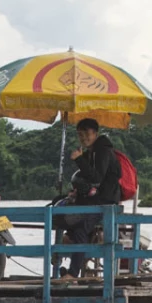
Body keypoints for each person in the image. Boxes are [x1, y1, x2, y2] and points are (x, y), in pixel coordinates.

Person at [57, 117, 122, 278]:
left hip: (105, 203)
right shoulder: (91, 153)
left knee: (80, 229)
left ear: (96, 133)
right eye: (80, 134)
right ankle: (70, 264)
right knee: (71, 223)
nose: (83, 137)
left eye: (87, 133)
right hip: (94, 201)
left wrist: (79, 159)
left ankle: (72, 273)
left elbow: (97, 177)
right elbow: (84, 177)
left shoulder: (103, 151)